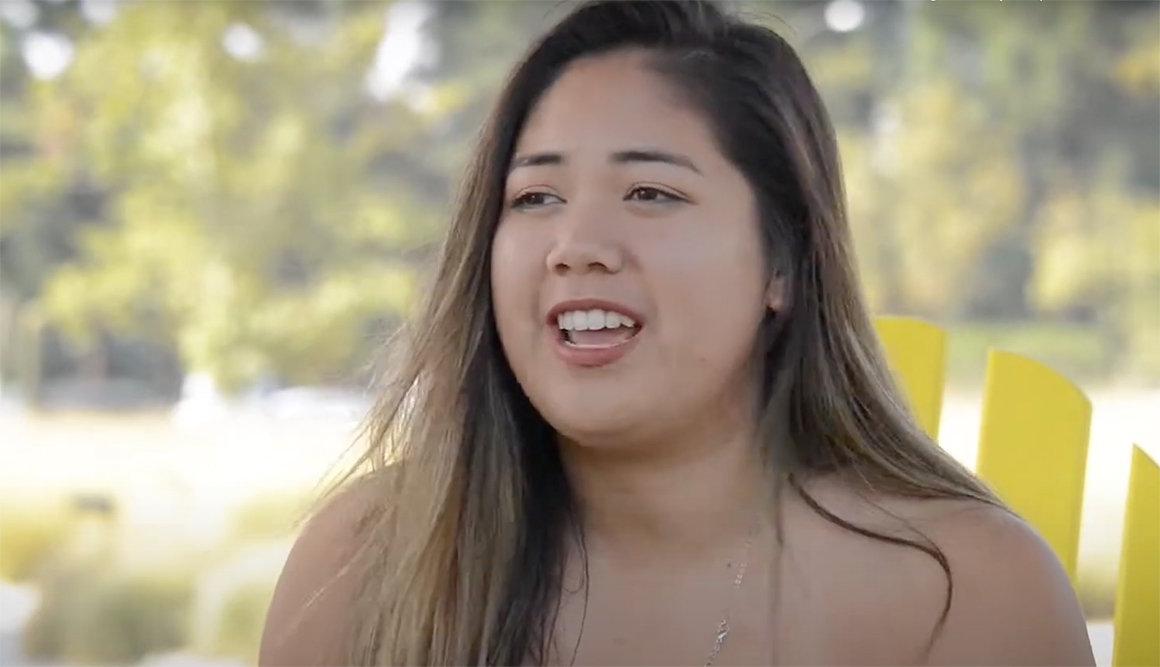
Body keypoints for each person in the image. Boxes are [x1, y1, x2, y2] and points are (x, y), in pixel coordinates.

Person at [259, 2, 1096, 665]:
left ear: (783, 262)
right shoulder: (366, 561)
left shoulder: (967, 594)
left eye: (650, 193)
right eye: (535, 198)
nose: (575, 246)